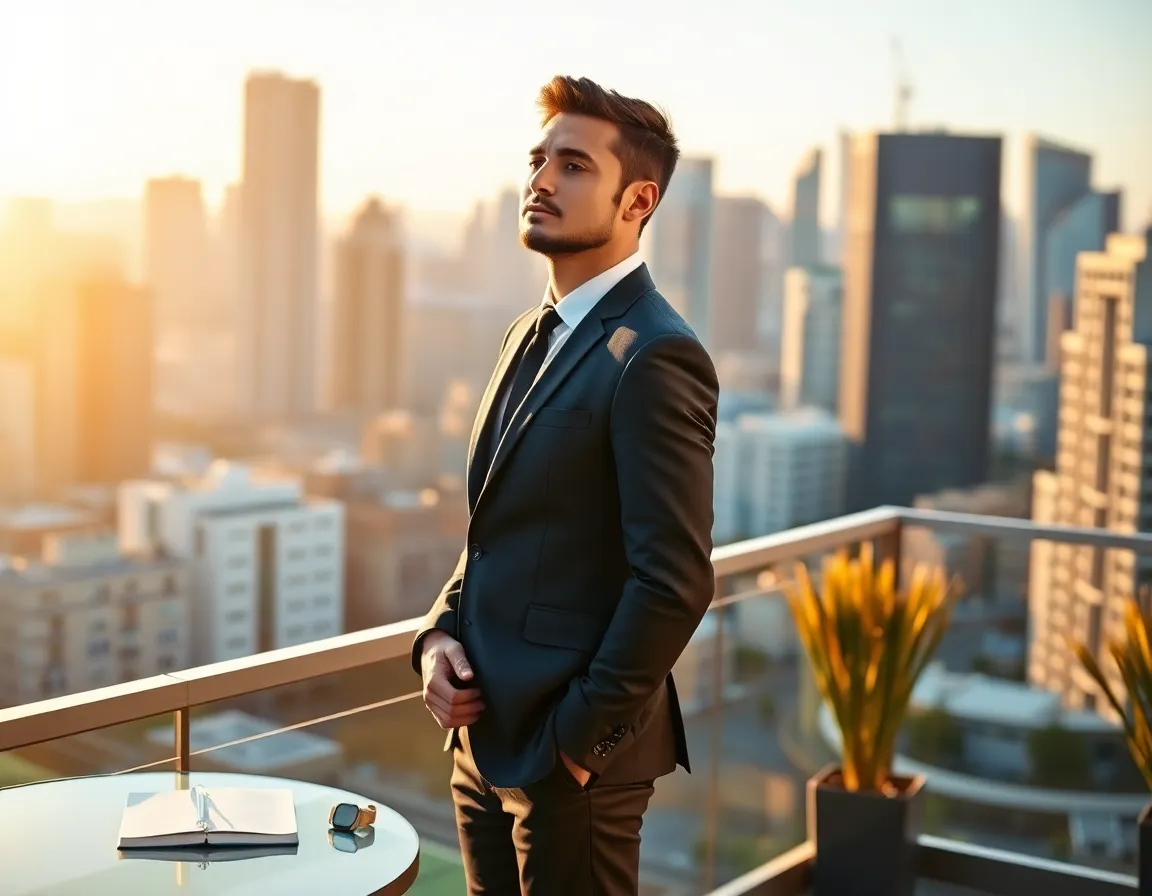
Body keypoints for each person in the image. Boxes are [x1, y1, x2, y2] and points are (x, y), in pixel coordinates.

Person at [412, 74, 718, 896]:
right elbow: (496, 533)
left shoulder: (654, 354)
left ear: (636, 200)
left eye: (575, 164)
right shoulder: (525, 333)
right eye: (539, 158)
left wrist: (579, 746)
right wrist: (438, 638)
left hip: (569, 764)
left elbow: (675, 580)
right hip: (481, 742)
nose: (541, 179)